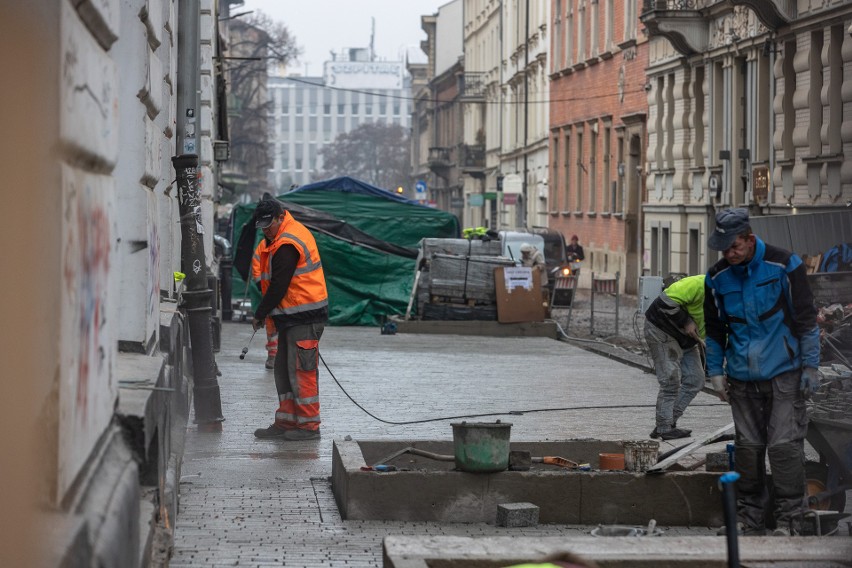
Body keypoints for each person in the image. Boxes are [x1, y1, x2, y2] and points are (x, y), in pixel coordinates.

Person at [704, 208, 820, 536]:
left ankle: (790, 521)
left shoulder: (784, 265)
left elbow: (806, 320)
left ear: (750, 239)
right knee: (748, 450)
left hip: (785, 373)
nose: (729, 254)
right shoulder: (716, 277)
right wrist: (715, 371)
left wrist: (811, 365)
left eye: (734, 247)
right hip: (741, 377)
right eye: (724, 249)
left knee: (784, 447)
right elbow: (714, 330)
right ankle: (748, 521)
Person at [251, 198, 329, 440]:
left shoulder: (287, 242)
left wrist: (260, 313)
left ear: (279, 217)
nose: (265, 230)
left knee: (301, 373)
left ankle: (308, 427)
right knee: (284, 371)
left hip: (304, 317)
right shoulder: (277, 239)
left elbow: (278, 286)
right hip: (290, 317)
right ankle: (286, 421)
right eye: (261, 227)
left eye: (268, 225)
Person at [643, 274, 706, 440]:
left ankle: (668, 423)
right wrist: (686, 320)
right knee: (670, 381)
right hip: (661, 329)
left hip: (687, 339)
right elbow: (665, 301)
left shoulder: (733, 304)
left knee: (695, 380)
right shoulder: (697, 284)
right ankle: (664, 428)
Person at [250, 243, 278, 370]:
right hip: (270, 292)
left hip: (281, 293)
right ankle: (273, 355)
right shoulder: (264, 245)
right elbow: (256, 266)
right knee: (272, 325)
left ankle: (277, 356)